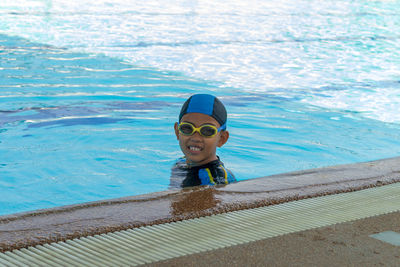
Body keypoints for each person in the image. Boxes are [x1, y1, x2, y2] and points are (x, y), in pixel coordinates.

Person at [170, 94, 236, 188]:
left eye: (207, 131)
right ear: (177, 132)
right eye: (187, 128)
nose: (196, 138)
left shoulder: (216, 183)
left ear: (222, 139)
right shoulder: (181, 163)